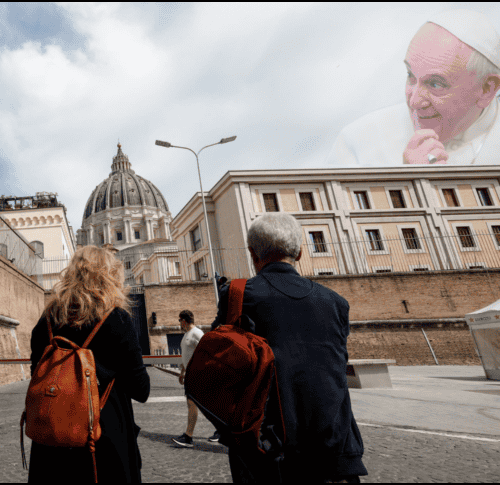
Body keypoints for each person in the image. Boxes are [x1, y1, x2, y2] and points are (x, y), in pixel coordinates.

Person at [223, 213, 367, 483]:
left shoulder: (239, 295)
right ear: (300, 253)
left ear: (253, 255)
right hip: (335, 447)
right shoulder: (336, 302)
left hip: (269, 449)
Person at [27, 246, 150, 483]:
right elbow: (140, 389)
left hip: (51, 436)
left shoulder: (47, 319)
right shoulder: (116, 318)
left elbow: (37, 374)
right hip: (102, 436)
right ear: (110, 275)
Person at [327, 9, 500, 167]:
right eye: (410, 75)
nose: (414, 101)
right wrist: (409, 180)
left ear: (487, 89)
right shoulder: (358, 142)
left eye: (435, 84)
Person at [171, 310, 212, 447]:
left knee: (192, 403)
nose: (179, 324)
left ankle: (188, 437)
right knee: (206, 404)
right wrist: (182, 372)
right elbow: (186, 357)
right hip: (189, 374)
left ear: (184, 320)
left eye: (179, 320)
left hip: (197, 375)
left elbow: (207, 352)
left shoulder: (197, 333)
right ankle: (221, 431)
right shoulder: (186, 336)